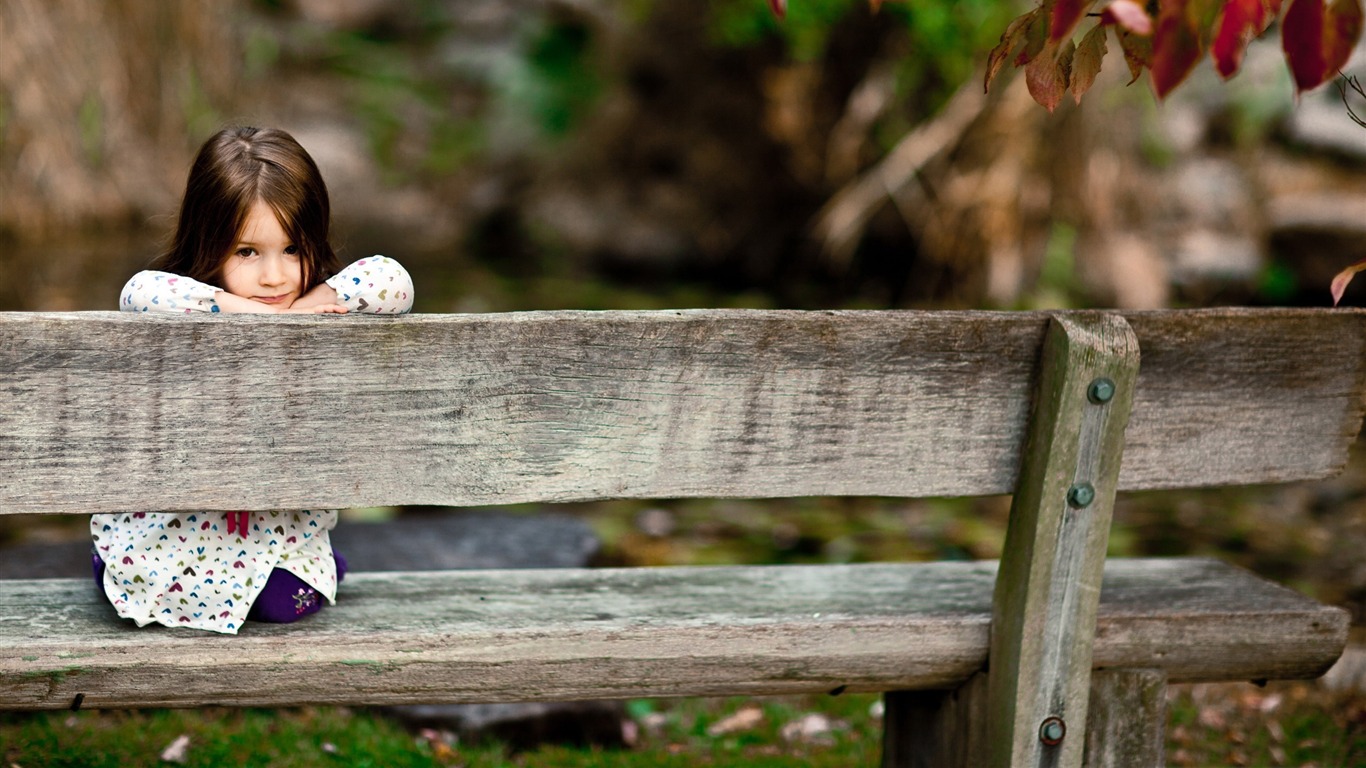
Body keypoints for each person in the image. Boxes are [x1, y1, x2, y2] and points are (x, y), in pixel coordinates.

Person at [91, 126, 414, 633]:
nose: (274, 276)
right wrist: (237, 309)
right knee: (256, 595)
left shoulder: (323, 309)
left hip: (273, 531)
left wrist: (308, 306)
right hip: (180, 531)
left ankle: (300, 573)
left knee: (280, 604)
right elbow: (139, 290)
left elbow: (392, 279)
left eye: (292, 249)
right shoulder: (189, 309)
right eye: (247, 252)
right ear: (208, 243)